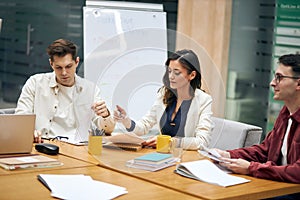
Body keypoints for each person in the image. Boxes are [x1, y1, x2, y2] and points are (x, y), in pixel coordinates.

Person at [216, 54, 300, 199]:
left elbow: (297, 172)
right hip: (278, 187)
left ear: (298, 84)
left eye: (279, 78)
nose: (273, 83)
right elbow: (265, 150)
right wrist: (228, 155)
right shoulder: (285, 113)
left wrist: (250, 168)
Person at [15, 39, 115, 142]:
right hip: (42, 144)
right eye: (58, 67)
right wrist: (29, 131)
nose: (64, 73)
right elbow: (21, 117)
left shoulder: (90, 89)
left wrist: (105, 115)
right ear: (51, 64)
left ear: (76, 62)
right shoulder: (35, 83)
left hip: (76, 148)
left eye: (68, 66)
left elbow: (108, 129)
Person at [114, 49, 213, 150]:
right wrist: (126, 120)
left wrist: (170, 142)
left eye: (177, 73)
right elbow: (144, 126)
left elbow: (202, 141)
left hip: (186, 158)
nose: (171, 77)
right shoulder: (164, 94)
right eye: (169, 71)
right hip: (161, 154)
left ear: (192, 75)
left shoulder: (203, 100)